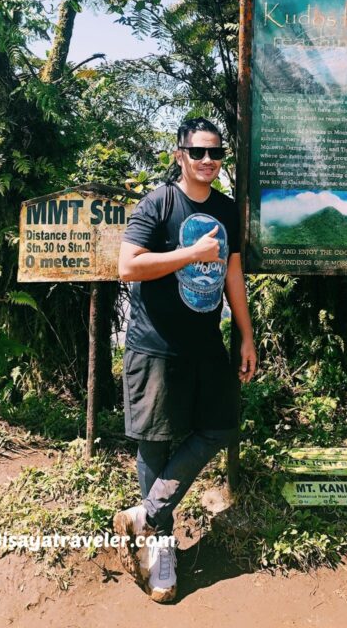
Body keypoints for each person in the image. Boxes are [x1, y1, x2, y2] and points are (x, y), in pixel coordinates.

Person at [114, 116, 256, 603]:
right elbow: (128, 265)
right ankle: (162, 554)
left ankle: (145, 514)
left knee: (219, 426)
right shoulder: (159, 203)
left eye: (216, 153)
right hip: (155, 344)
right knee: (154, 445)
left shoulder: (226, 209)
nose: (208, 162)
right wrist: (190, 252)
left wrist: (245, 334)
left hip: (205, 345)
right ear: (180, 154)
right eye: (198, 152)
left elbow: (233, 271)